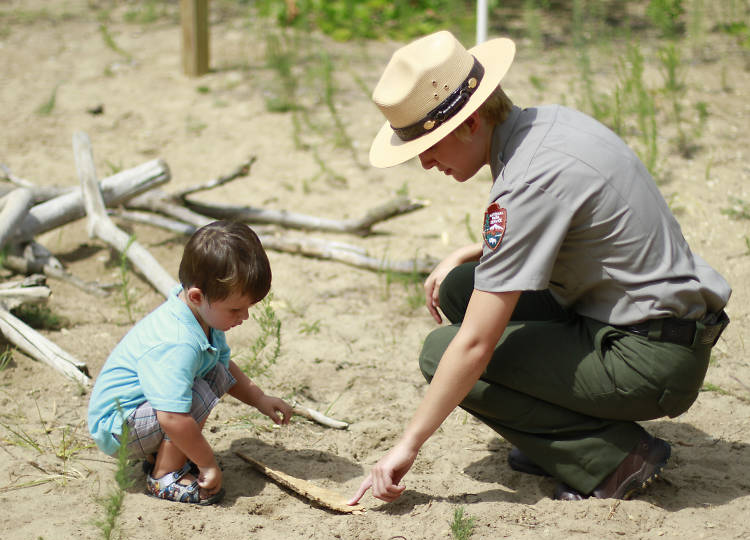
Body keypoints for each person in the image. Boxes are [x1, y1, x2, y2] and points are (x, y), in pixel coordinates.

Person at [348, 30, 731, 505]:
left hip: (650, 360)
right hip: (649, 322)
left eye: (429, 144)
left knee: (442, 352)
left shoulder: (527, 180)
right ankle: (556, 439)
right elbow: (567, 224)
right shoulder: (547, 125)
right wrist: (471, 250)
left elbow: (474, 345)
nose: (425, 162)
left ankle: (610, 458)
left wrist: (406, 446)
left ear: (468, 124)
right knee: (461, 289)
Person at [88, 220, 292, 505]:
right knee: (196, 395)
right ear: (197, 296)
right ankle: (163, 474)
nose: (244, 317)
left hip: (140, 411)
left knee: (214, 376)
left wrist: (259, 397)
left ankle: (162, 454)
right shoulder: (178, 342)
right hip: (117, 426)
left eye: (248, 307)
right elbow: (171, 417)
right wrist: (208, 463)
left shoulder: (202, 315)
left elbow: (223, 367)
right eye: (236, 309)